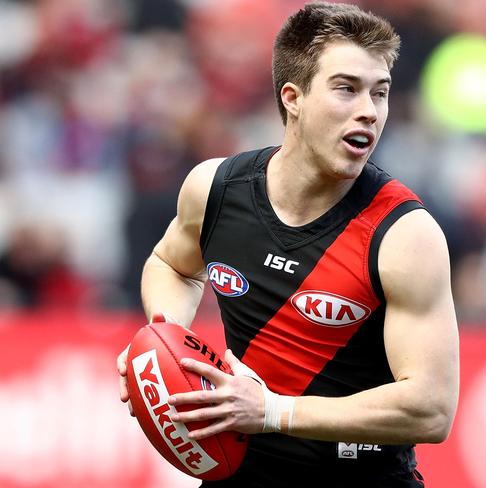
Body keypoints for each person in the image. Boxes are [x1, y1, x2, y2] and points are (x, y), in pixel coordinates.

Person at [117, 3, 459, 487]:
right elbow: (173, 265)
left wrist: (273, 411)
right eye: (346, 89)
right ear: (292, 97)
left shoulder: (404, 234)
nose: (369, 110)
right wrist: (166, 345)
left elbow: (430, 410)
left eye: (380, 93)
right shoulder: (215, 188)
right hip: (242, 472)